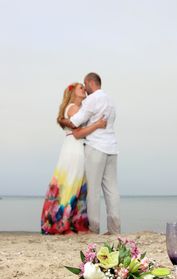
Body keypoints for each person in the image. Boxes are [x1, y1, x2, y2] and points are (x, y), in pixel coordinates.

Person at [41, 82, 107, 235]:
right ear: (72, 93)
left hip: (74, 147)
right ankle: (63, 224)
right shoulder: (73, 108)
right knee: (72, 184)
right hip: (74, 147)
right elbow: (78, 132)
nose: (84, 89)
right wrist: (98, 124)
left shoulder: (75, 108)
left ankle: (74, 223)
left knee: (76, 184)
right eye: (81, 88)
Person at [60, 73, 121, 235]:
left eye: (85, 85)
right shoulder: (110, 100)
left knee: (93, 190)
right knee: (112, 189)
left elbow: (74, 122)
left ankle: (94, 228)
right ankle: (114, 229)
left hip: (96, 148)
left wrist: (62, 120)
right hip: (112, 148)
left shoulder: (92, 100)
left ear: (89, 82)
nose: (85, 89)